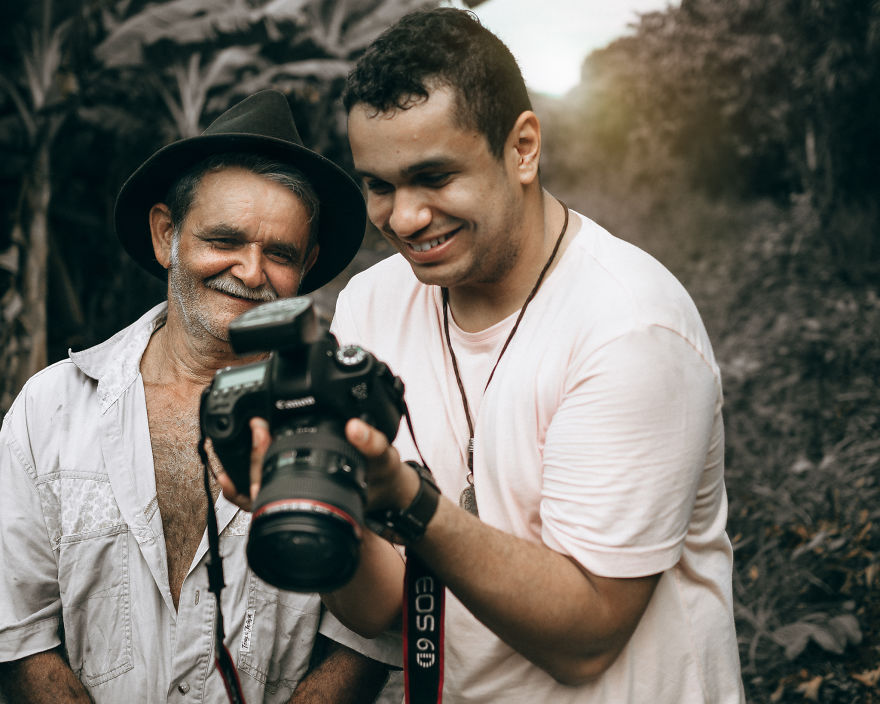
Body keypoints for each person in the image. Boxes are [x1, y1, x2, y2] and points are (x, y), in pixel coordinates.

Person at [262, 7, 744, 703]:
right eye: (379, 184)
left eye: (434, 176)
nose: (404, 218)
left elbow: (586, 639)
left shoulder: (631, 328)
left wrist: (408, 501)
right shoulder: (371, 305)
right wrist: (310, 501)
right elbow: (381, 605)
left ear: (522, 148)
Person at [0, 90, 401, 703]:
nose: (249, 270)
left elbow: (368, 644)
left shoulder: (341, 410)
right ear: (167, 235)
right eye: (224, 239)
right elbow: (19, 635)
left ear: (308, 264)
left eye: (280, 253)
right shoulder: (49, 408)